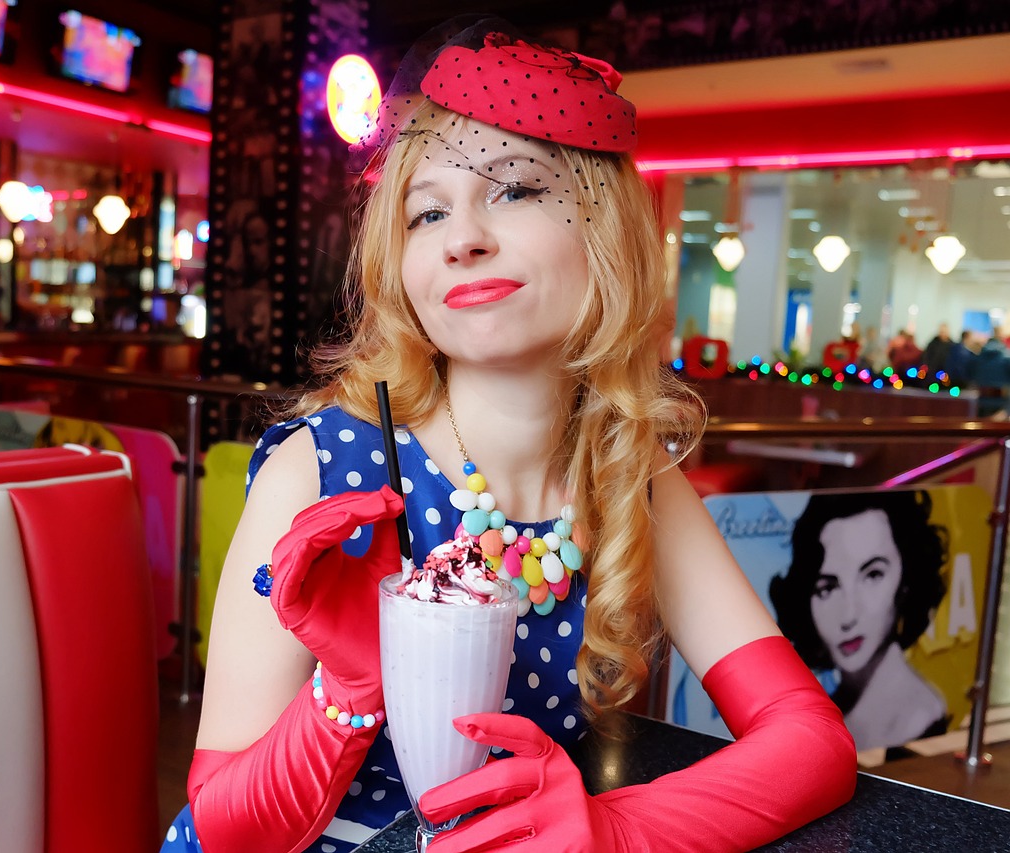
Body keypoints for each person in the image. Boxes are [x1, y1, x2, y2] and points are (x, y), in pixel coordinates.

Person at [165, 17, 856, 853]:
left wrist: (614, 833)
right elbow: (217, 829)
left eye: (516, 190)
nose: (462, 239)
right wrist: (344, 695)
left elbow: (810, 738)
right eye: (426, 213)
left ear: (605, 231)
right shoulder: (324, 467)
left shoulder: (624, 474)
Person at [770, 491, 949, 751]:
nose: (848, 616)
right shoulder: (826, 713)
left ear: (907, 578)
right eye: (827, 588)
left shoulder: (920, 718)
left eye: (873, 575)